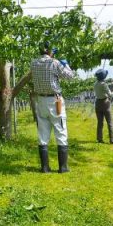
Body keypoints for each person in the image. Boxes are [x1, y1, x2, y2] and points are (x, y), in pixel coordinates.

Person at [31, 42, 76, 173]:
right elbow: (70, 76)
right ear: (50, 51)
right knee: (60, 129)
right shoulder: (54, 63)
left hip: (40, 100)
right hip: (55, 100)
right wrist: (65, 64)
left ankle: (45, 167)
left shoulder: (33, 63)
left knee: (42, 133)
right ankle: (63, 167)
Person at [94, 69, 113, 144]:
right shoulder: (104, 84)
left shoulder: (95, 84)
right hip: (105, 103)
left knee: (100, 122)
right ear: (104, 76)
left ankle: (99, 139)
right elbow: (111, 95)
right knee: (109, 122)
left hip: (97, 103)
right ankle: (112, 139)